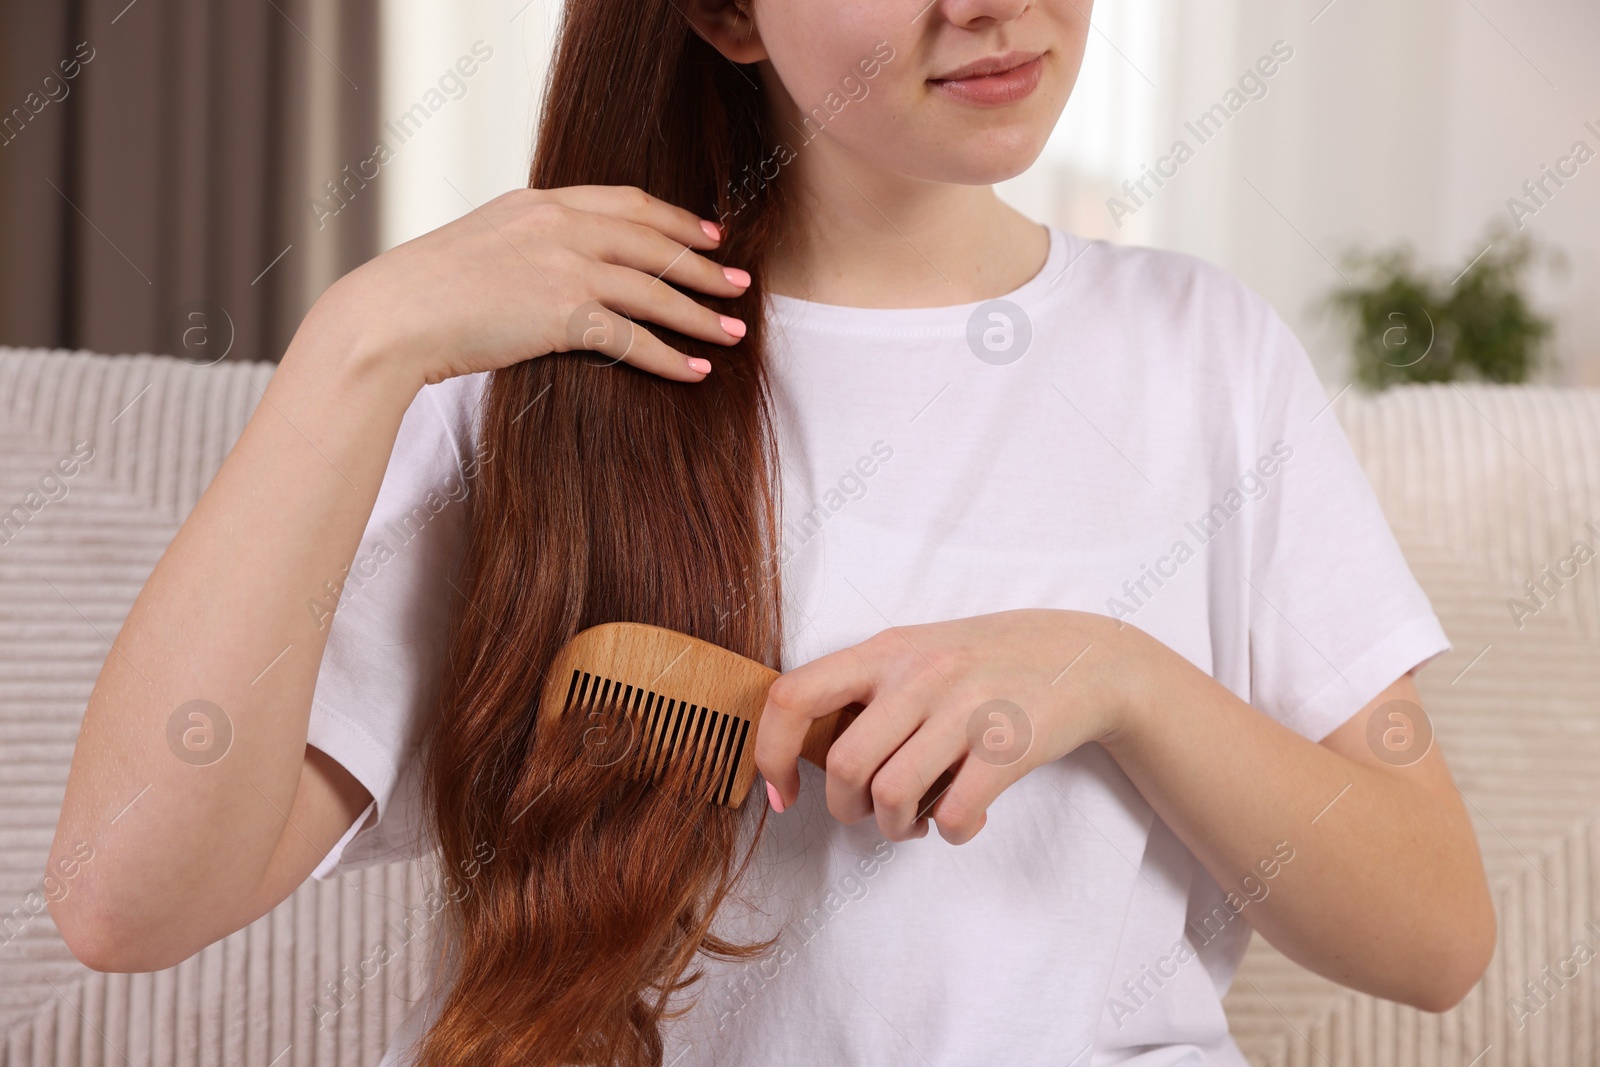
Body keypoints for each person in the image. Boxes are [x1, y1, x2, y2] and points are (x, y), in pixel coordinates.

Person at [49, 0, 1495, 1064]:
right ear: (725, 16)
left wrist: (1114, 676)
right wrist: (354, 345)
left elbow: (1434, 937)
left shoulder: (1206, 354)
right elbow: (128, 899)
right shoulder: (553, 374)